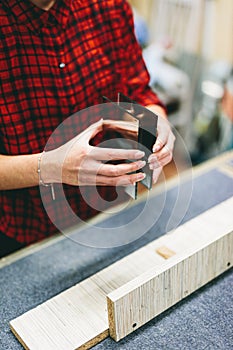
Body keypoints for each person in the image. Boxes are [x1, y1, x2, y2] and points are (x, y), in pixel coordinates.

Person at [0, 0, 175, 257]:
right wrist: (49, 167)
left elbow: (135, 90)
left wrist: (156, 120)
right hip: (21, 231)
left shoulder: (109, 5)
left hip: (108, 212)